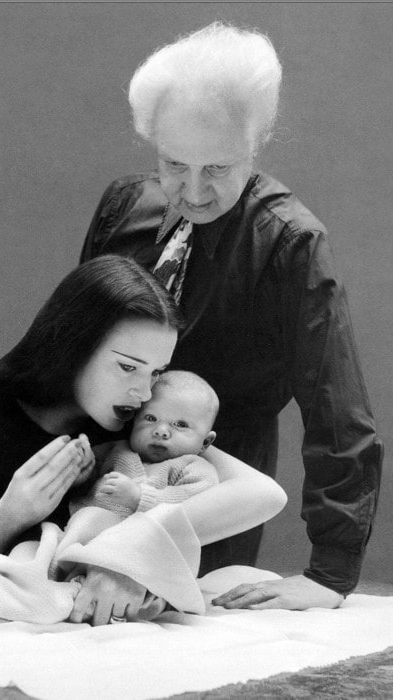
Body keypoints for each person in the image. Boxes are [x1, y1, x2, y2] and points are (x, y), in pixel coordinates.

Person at [80, 22, 383, 610]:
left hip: (210, 482)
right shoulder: (123, 206)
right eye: (173, 164)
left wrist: (330, 573)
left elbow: (337, 411)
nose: (192, 192)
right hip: (102, 467)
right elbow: (75, 351)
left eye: (216, 168)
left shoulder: (291, 242)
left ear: (256, 141)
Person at [0, 254, 287, 624]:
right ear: (72, 345)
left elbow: (264, 494)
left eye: (156, 372)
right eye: (128, 367)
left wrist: (128, 556)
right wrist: (8, 516)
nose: (144, 392)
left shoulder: (131, 430)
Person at [70, 370, 220, 518]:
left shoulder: (194, 468)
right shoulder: (116, 451)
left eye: (180, 424)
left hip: (138, 537)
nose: (160, 431)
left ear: (205, 442)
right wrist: (82, 469)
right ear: (134, 421)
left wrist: (138, 497)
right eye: (150, 418)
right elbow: (84, 487)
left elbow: (192, 507)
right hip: (80, 527)